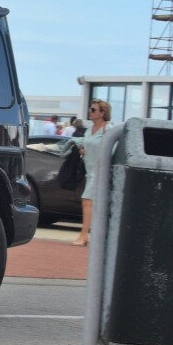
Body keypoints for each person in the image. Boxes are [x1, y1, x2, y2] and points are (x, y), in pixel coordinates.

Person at [69, 99, 112, 246]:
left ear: (102, 113)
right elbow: (88, 146)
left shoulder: (108, 129)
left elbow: (111, 150)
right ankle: (96, 236)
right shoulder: (89, 129)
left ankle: (84, 236)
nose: (90, 112)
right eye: (90, 109)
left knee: (87, 202)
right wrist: (82, 150)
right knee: (95, 205)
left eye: (93, 110)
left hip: (100, 172)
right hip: (90, 171)